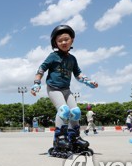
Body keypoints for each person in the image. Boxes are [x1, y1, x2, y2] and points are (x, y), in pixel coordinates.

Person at [30, 24, 98, 157]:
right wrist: (36, 84)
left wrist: (88, 81)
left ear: (72, 40)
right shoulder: (53, 56)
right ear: (55, 43)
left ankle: (74, 138)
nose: (63, 42)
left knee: (76, 112)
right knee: (64, 110)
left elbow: (78, 74)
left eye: (66, 39)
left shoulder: (72, 59)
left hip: (66, 90)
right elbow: (41, 69)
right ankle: (59, 139)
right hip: (53, 88)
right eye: (60, 40)